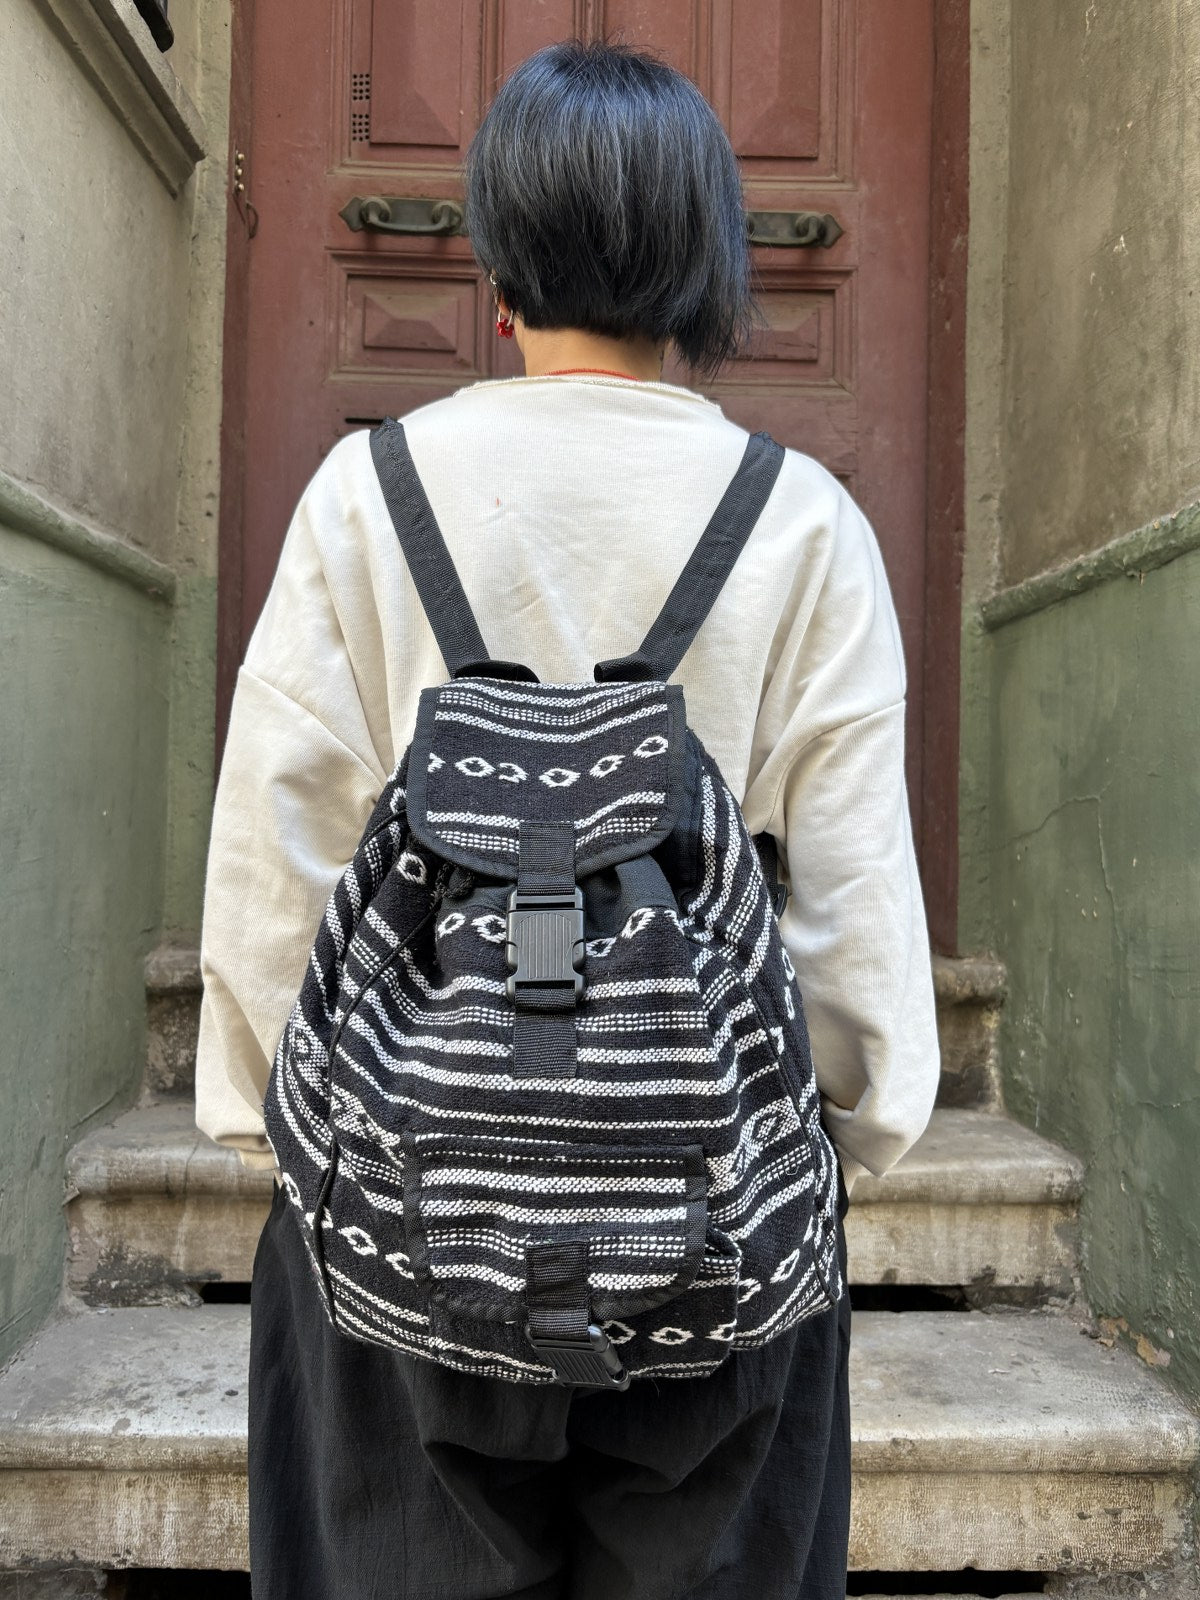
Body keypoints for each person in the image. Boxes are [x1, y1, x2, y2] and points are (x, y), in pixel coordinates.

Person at [195, 39, 939, 1600]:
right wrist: (824, 1145)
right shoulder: (802, 524)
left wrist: (316, 1141)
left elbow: (277, 872)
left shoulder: (365, 494)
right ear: (708, 266)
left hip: (403, 1223)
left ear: (496, 261)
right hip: (713, 1243)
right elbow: (854, 932)